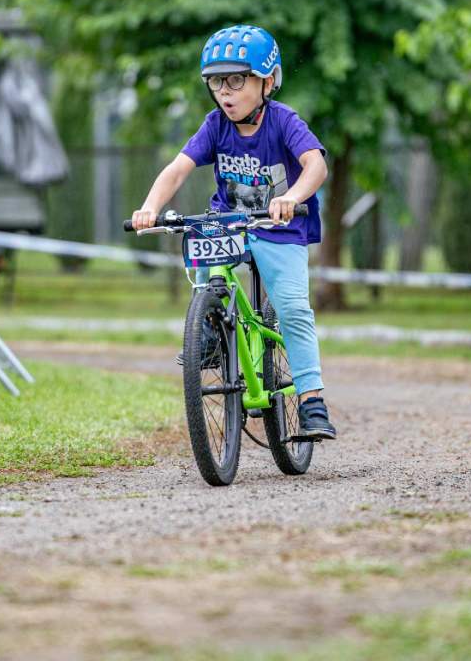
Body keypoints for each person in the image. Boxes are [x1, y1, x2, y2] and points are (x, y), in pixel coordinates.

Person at [130, 25, 336, 440]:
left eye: (237, 80)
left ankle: (312, 399)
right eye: (217, 81)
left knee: (293, 307)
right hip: (230, 224)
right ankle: (208, 330)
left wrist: (291, 197)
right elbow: (178, 169)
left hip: (281, 227)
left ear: (267, 81)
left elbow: (316, 165)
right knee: (208, 264)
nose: (225, 91)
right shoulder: (214, 126)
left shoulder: (283, 122)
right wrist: (151, 207)